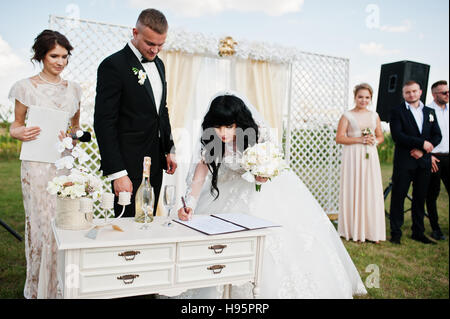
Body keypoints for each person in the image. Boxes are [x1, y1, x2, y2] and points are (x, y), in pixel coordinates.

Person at [175, 91, 367, 299]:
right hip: (229, 191)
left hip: (263, 190)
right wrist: (191, 203)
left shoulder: (257, 133)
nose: (223, 133)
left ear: (238, 123)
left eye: (229, 126)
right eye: (218, 126)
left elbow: (271, 160)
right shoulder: (212, 139)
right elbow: (200, 173)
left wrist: (263, 172)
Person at [8, 30, 82, 298]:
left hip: (63, 165)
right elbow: (15, 126)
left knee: (63, 223)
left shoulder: (75, 90)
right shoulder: (24, 87)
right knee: (40, 225)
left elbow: (77, 129)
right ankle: (38, 288)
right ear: (41, 55)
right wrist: (19, 132)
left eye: (65, 56)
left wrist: (72, 138)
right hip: (36, 166)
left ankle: (61, 286)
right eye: (54, 56)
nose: (60, 61)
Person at [94, 9, 177, 217]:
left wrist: (169, 148)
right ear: (135, 32)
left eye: (160, 45)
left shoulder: (159, 65)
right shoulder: (113, 65)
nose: (155, 50)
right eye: (150, 43)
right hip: (128, 162)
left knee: (148, 219)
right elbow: (104, 122)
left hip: (155, 161)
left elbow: (161, 111)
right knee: (128, 224)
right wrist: (118, 173)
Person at [389, 81, 442, 245]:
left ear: (420, 92)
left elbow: (437, 135)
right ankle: (396, 233)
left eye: (414, 91)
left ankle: (418, 232)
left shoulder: (430, 112)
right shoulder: (397, 111)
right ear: (404, 94)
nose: (411, 94)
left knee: (420, 198)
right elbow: (397, 135)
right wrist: (420, 144)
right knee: (398, 197)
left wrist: (423, 150)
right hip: (404, 162)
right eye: (407, 92)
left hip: (423, 162)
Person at [336, 83, 385, 243]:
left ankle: (371, 232)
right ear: (355, 97)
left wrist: (373, 141)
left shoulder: (374, 116)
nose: (363, 100)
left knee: (370, 190)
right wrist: (359, 139)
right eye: (360, 97)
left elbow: (380, 136)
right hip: (353, 156)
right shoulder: (347, 115)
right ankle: (352, 230)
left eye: (367, 97)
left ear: (371, 98)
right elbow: (339, 138)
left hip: (370, 156)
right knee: (354, 189)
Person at [426, 80, 449, 241]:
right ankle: (435, 228)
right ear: (434, 95)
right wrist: (429, 155)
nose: (448, 94)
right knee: (432, 194)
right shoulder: (427, 111)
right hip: (434, 157)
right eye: (444, 92)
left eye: (448, 91)